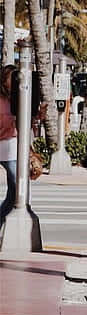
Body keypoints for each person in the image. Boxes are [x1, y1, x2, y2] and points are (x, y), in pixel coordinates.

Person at [0, 65, 18, 228]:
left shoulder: (18, 97)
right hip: (4, 147)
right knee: (16, 190)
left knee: (16, 193)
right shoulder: (1, 99)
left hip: (14, 147)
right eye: (10, 78)